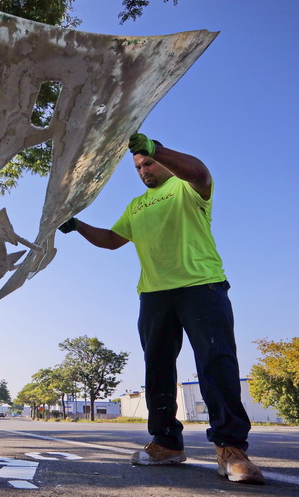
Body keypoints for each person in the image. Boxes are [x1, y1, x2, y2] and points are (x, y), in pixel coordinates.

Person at [58, 133, 264, 484]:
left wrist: (154, 148)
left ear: (162, 159)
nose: (143, 170)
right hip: (154, 294)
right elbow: (111, 241)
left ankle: (230, 449)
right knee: (157, 370)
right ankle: (167, 442)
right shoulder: (136, 206)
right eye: (138, 167)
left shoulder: (187, 188)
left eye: (148, 163)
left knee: (216, 363)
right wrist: (77, 225)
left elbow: (200, 172)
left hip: (202, 286)